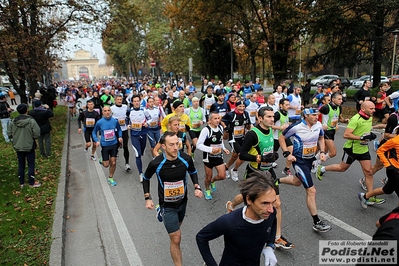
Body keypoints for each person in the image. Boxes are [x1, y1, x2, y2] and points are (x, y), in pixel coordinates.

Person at [227, 106, 294, 249]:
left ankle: (277, 237)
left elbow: (269, 149)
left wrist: (273, 155)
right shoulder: (253, 134)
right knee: (246, 198)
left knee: (277, 204)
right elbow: (243, 154)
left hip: (268, 171)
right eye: (268, 117)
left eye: (272, 117)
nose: (271, 119)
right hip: (254, 172)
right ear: (260, 118)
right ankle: (231, 205)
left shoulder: (270, 130)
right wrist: (261, 158)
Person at [143, 132, 203, 266]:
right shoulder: (156, 163)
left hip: (182, 202)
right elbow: (146, 178)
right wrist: (148, 197)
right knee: (176, 238)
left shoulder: (186, 159)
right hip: (167, 205)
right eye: (171, 145)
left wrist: (197, 187)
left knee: (177, 228)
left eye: (177, 144)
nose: (176, 147)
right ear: (163, 146)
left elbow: (193, 172)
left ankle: (161, 214)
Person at [197, 171, 278, 266]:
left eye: (273, 202)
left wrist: (270, 245)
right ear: (249, 200)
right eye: (265, 203)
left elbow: (274, 222)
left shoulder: (270, 214)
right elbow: (201, 237)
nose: (271, 209)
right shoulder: (230, 222)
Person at [317, 101, 386, 205]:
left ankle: (369, 196)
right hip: (351, 149)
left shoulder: (369, 117)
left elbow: (365, 130)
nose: (374, 110)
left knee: (369, 172)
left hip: (363, 149)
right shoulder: (355, 119)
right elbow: (346, 135)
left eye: (374, 108)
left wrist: (370, 135)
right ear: (363, 109)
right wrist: (361, 137)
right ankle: (322, 169)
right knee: (342, 168)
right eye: (371, 108)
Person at [278, 107, 331, 232]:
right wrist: (287, 154)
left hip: (310, 160)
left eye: (317, 114)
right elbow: (282, 138)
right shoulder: (297, 127)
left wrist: (322, 151)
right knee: (311, 191)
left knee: (297, 182)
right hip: (299, 162)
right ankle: (316, 222)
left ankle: (277, 180)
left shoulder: (318, 125)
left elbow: (321, 138)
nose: (316, 117)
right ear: (306, 116)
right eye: (313, 115)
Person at [358, 132, 399, 208]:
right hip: (394, 170)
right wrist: (387, 164)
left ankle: (365, 196)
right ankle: (394, 217)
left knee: (387, 189)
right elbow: (380, 150)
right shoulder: (395, 140)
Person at [196, 112, 230, 200]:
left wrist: (224, 148)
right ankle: (207, 190)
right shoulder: (206, 130)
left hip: (218, 156)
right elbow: (198, 145)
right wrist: (210, 150)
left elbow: (220, 140)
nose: (218, 120)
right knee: (208, 176)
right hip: (208, 157)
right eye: (215, 118)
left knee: (222, 176)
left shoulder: (220, 128)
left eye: (219, 118)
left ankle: (213, 181)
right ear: (209, 121)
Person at [8, 104, 41, 188]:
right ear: (27, 110)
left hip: (18, 146)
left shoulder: (13, 122)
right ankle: (31, 182)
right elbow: (37, 133)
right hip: (29, 145)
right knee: (31, 164)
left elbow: (9, 133)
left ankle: (21, 183)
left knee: (21, 164)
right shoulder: (31, 121)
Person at [312, 92, 347, 171]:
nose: (341, 101)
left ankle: (312, 161)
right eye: (339, 99)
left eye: (341, 99)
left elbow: (339, 118)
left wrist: (345, 120)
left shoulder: (339, 107)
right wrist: (319, 125)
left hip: (332, 131)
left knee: (325, 150)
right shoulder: (326, 107)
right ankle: (317, 163)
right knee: (333, 152)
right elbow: (314, 115)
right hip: (326, 132)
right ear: (333, 99)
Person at [92, 106, 123, 186]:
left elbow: (119, 129)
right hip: (105, 145)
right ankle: (102, 159)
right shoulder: (99, 122)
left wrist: (120, 136)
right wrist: (96, 140)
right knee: (106, 165)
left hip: (114, 144)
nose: (107, 112)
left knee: (113, 162)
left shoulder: (115, 121)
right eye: (105, 111)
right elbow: (94, 132)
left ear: (111, 111)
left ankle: (110, 177)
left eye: (109, 110)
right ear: (102, 112)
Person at [221, 100, 251, 181]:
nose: (242, 108)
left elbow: (248, 125)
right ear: (236, 106)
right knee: (242, 155)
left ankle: (226, 167)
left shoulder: (246, 114)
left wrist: (249, 129)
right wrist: (225, 127)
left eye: (243, 106)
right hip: (233, 139)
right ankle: (234, 170)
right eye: (240, 106)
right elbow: (222, 120)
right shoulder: (231, 114)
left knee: (235, 155)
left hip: (242, 138)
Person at [128, 94, 150, 182]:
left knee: (141, 152)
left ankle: (140, 155)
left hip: (143, 134)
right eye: (135, 101)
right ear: (132, 102)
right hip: (134, 135)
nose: (136, 103)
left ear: (140, 102)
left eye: (138, 101)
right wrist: (128, 125)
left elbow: (150, 118)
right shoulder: (129, 111)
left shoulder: (144, 110)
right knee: (137, 154)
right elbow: (126, 119)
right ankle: (141, 173)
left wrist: (147, 123)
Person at [271, 98, 294, 175]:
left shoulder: (286, 113)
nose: (288, 106)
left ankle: (286, 169)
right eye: (286, 105)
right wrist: (280, 128)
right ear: (281, 105)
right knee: (272, 155)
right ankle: (267, 167)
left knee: (291, 152)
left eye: (289, 104)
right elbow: (270, 125)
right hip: (276, 138)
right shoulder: (277, 114)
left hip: (285, 137)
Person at [111, 95, 131, 171]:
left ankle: (127, 163)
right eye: (118, 99)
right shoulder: (112, 108)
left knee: (125, 146)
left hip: (124, 129)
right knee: (115, 147)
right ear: (115, 100)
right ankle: (114, 159)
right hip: (116, 131)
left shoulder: (125, 107)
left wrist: (129, 124)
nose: (119, 101)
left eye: (120, 99)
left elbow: (129, 116)